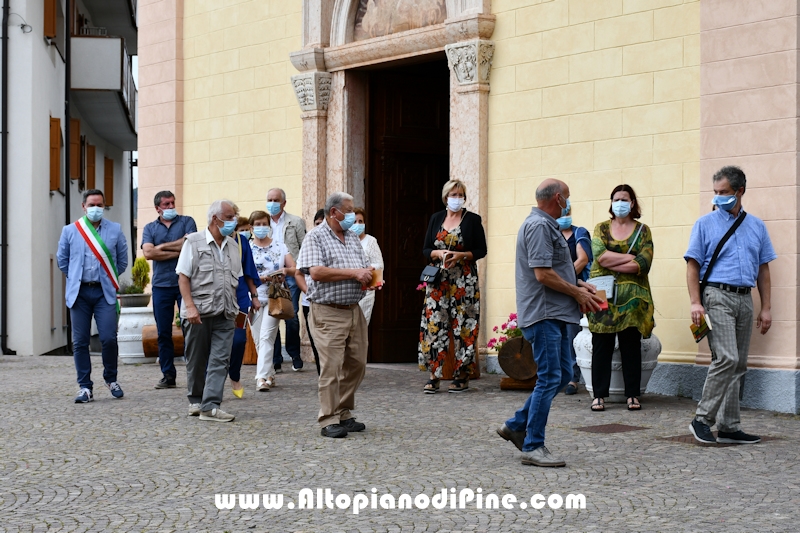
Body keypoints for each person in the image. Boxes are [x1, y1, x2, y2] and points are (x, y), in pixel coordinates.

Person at [496, 179, 601, 467]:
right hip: (543, 314)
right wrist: (576, 290)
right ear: (557, 198)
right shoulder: (540, 226)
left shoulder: (546, 225)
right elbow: (542, 275)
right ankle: (533, 445)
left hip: (552, 313)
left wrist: (580, 284)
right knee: (550, 377)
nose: (569, 202)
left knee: (562, 372)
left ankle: (517, 424)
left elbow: (553, 271)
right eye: (567, 197)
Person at [685, 166, 775, 445]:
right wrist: (695, 302)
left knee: (739, 365)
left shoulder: (757, 226)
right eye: (715, 192)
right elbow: (692, 265)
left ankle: (729, 426)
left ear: (740, 191)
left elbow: (763, 270)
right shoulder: (704, 224)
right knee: (726, 358)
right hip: (716, 295)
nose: (717, 198)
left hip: (744, 298)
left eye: (723, 192)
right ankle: (702, 419)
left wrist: (766, 307)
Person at [296, 192, 382, 438]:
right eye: (349, 210)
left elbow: (362, 267)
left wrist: (370, 278)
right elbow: (317, 272)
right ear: (334, 212)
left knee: (357, 364)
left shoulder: (353, 238)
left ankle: (343, 411)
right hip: (328, 311)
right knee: (332, 366)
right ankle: (328, 418)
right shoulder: (315, 237)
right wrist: (354, 274)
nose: (353, 215)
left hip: (353, 309)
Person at [586, 185, 654, 412]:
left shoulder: (643, 231)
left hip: (632, 298)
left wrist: (617, 260)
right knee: (601, 343)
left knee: (630, 345)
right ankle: (598, 395)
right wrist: (628, 257)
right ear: (611, 202)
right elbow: (600, 257)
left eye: (624, 199)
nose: (620, 203)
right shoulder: (601, 229)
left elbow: (642, 264)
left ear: (633, 202)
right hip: (602, 293)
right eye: (616, 199)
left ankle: (632, 395)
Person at [57, 189, 129, 403]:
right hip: (79, 293)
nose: (95, 208)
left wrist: (108, 279)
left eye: (99, 204)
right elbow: (63, 261)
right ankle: (85, 387)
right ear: (84, 206)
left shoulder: (115, 229)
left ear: (104, 206)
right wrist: (77, 278)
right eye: (91, 205)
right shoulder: (70, 230)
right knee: (79, 342)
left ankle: (111, 378)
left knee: (108, 338)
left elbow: (122, 261)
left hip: (103, 292)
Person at [176, 199, 243, 422]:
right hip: (199, 314)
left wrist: (239, 310)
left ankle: (211, 405)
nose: (234, 221)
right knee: (196, 359)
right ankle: (195, 400)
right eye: (230, 216)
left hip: (225, 313)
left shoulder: (234, 245)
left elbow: (236, 281)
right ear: (215, 218)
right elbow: (183, 277)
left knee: (220, 359)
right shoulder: (193, 242)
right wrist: (190, 307)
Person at [418, 180, 487, 394]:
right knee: (434, 324)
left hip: (463, 281)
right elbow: (426, 248)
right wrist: (438, 254)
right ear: (445, 196)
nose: (456, 198)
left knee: (464, 325)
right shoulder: (436, 218)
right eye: (453, 194)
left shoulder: (472, 220)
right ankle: (434, 374)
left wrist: (461, 256)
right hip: (438, 281)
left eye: (460, 194)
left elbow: (481, 250)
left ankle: (462, 374)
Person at [141, 190, 198, 389]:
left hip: (186, 284)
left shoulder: (187, 221)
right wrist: (177, 248)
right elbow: (148, 253)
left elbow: (190, 246)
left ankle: (194, 371)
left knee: (190, 329)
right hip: (161, 286)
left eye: (173, 203)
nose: (171, 207)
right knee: (163, 332)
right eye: (166, 204)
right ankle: (168, 375)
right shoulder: (149, 227)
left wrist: (161, 248)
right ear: (158, 208)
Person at [249, 210, 297, 391]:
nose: (261, 228)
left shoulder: (279, 246)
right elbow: (242, 274)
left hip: (274, 297)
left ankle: (260, 378)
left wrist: (285, 271)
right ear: (252, 227)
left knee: (267, 336)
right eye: (257, 225)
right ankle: (270, 374)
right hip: (252, 297)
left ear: (269, 226)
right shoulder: (246, 248)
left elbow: (294, 268)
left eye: (264, 224)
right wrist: (257, 279)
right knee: (258, 340)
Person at [266, 188, 306, 373]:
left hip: (290, 274)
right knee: (272, 313)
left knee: (291, 315)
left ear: (284, 202)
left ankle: (294, 354)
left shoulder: (295, 222)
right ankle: (276, 358)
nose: (272, 203)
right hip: (270, 276)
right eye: (269, 199)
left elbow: (303, 246)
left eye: (276, 200)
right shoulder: (263, 223)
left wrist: (299, 270)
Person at [558, 205, 592, 395]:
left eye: (567, 212)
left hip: (574, 291)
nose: (564, 216)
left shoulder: (579, 233)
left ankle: (573, 378)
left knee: (572, 333)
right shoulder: (550, 236)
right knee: (556, 335)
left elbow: (582, 260)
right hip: (554, 292)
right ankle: (557, 376)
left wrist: (563, 280)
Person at [227, 215, 262, 399]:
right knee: (214, 340)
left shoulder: (242, 242)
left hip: (239, 298)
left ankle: (234, 375)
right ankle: (212, 380)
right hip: (216, 298)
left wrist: (254, 296)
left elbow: (249, 271)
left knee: (239, 339)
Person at [295, 209, 326, 375]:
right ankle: (323, 375)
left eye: (323, 224)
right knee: (316, 341)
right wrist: (309, 293)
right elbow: (298, 273)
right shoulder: (308, 243)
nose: (319, 227)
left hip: (330, 301)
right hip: (311, 301)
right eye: (317, 224)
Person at [351, 207, 384, 325]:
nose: (357, 224)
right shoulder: (345, 240)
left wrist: (366, 270)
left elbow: (379, 265)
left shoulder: (371, 241)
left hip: (366, 293)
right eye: (354, 222)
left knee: (361, 327)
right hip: (348, 291)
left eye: (360, 221)